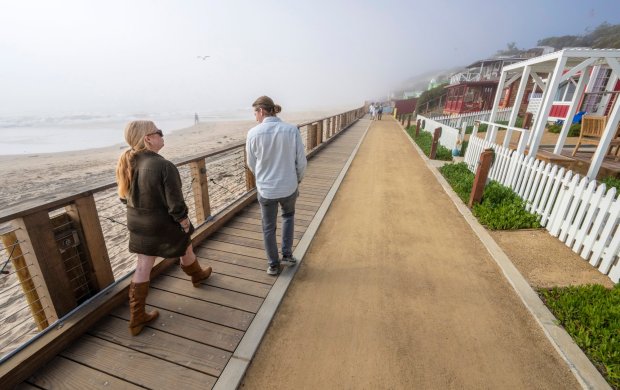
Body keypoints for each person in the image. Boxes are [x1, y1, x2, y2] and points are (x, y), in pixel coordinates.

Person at [116, 120, 212, 336]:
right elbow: (175, 203)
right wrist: (184, 221)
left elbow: (125, 198)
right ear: (148, 138)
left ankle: (137, 317)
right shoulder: (163, 165)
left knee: (144, 263)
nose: (162, 134)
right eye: (158, 132)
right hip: (161, 223)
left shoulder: (127, 162)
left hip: (138, 222)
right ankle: (197, 276)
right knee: (184, 238)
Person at [246, 96, 307, 275]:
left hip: (266, 189)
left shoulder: (253, 133)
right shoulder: (291, 130)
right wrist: (297, 180)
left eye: (255, 113)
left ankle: (273, 264)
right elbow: (301, 162)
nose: (255, 117)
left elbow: (251, 163)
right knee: (288, 217)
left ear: (262, 111)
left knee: (268, 227)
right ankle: (287, 255)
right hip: (289, 186)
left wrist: (262, 178)